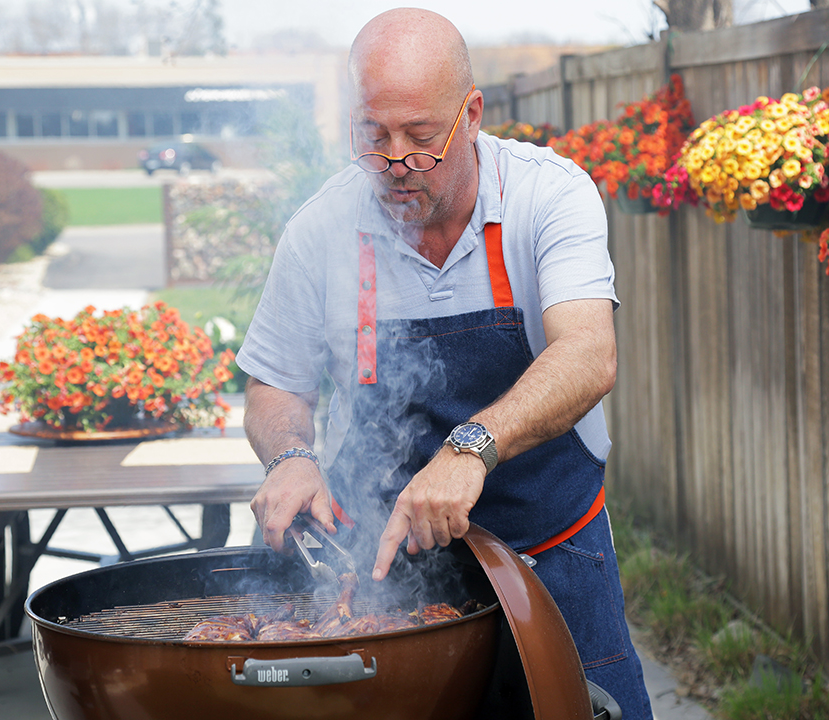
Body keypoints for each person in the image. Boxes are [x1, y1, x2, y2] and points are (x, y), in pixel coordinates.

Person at [236, 8, 653, 718]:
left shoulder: (547, 196)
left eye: (422, 139)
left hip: (550, 562)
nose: (396, 163)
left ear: (473, 113)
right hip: (379, 585)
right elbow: (275, 385)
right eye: (374, 135)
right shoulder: (320, 231)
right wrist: (290, 457)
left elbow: (587, 353)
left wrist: (471, 447)